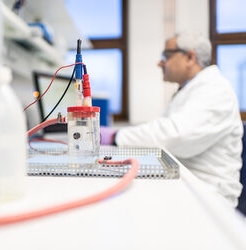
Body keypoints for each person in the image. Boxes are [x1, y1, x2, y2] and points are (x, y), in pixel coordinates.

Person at [101, 31, 244, 207]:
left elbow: (176, 135)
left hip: (208, 196)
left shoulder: (215, 90)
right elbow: (167, 131)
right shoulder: (190, 90)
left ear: (190, 57)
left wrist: (116, 136)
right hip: (189, 185)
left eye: (166, 56)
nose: (160, 63)